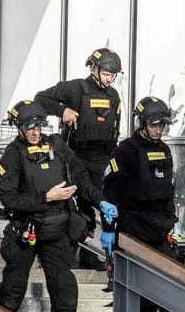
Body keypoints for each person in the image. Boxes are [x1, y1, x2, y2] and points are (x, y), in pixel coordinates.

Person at [0, 99, 101, 312]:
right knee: (13, 289)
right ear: (19, 127)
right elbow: (8, 197)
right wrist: (46, 198)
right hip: (26, 230)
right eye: (29, 126)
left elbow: (81, 176)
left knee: (64, 289)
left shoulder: (57, 145)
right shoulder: (12, 155)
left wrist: (102, 201)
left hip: (56, 230)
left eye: (39, 126)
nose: (35, 131)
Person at [100, 96, 185, 312]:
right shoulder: (125, 150)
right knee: (140, 289)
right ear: (142, 123)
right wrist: (109, 229)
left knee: (171, 278)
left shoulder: (165, 150)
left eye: (162, 125)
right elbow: (110, 193)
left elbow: (169, 191)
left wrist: (173, 222)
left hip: (159, 227)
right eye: (154, 124)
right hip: (133, 228)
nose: (159, 130)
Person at [33, 47, 124, 271]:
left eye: (113, 75)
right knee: (79, 208)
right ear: (93, 68)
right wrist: (62, 110)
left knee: (100, 204)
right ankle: (64, 255)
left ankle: (90, 256)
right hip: (76, 157)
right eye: (105, 73)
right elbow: (39, 99)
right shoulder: (75, 88)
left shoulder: (114, 96)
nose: (109, 79)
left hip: (101, 158)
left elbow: (115, 129)